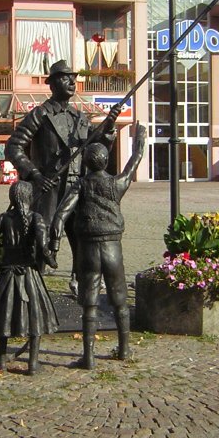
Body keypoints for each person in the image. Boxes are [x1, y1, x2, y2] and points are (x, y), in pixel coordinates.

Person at [5, 59, 121, 289]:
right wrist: (35, 175)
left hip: (77, 187)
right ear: (52, 83)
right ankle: (34, 283)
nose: (71, 82)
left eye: (74, 77)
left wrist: (108, 128)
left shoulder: (80, 117)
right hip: (50, 188)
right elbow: (13, 146)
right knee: (42, 237)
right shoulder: (41, 114)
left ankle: (82, 281)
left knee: (83, 237)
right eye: (65, 77)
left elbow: (97, 149)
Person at [50, 121, 147, 369]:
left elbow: (61, 214)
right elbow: (133, 164)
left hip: (89, 248)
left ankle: (89, 357)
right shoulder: (116, 184)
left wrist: (54, 244)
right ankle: (124, 349)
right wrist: (140, 141)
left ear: (85, 163)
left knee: (89, 301)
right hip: (113, 247)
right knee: (119, 299)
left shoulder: (80, 185)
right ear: (106, 161)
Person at [0, 180, 59, 374]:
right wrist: (51, 261)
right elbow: (42, 247)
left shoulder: (3, 219)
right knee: (35, 317)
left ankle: (0, 360)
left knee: (4, 315)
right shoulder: (36, 218)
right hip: (29, 274)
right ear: (29, 198)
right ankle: (33, 363)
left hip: (8, 273)